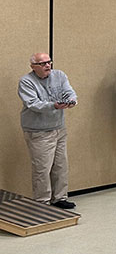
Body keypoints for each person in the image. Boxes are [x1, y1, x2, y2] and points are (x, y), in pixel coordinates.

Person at [18, 52, 77, 209]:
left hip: (59, 128)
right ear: (33, 67)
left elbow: (69, 91)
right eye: (43, 64)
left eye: (49, 62)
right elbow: (33, 104)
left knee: (61, 165)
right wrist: (54, 105)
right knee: (42, 168)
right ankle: (41, 202)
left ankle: (59, 198)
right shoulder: (26, 81)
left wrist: (71, 100)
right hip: (39, 132)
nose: (47, 66)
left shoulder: (59, 75)